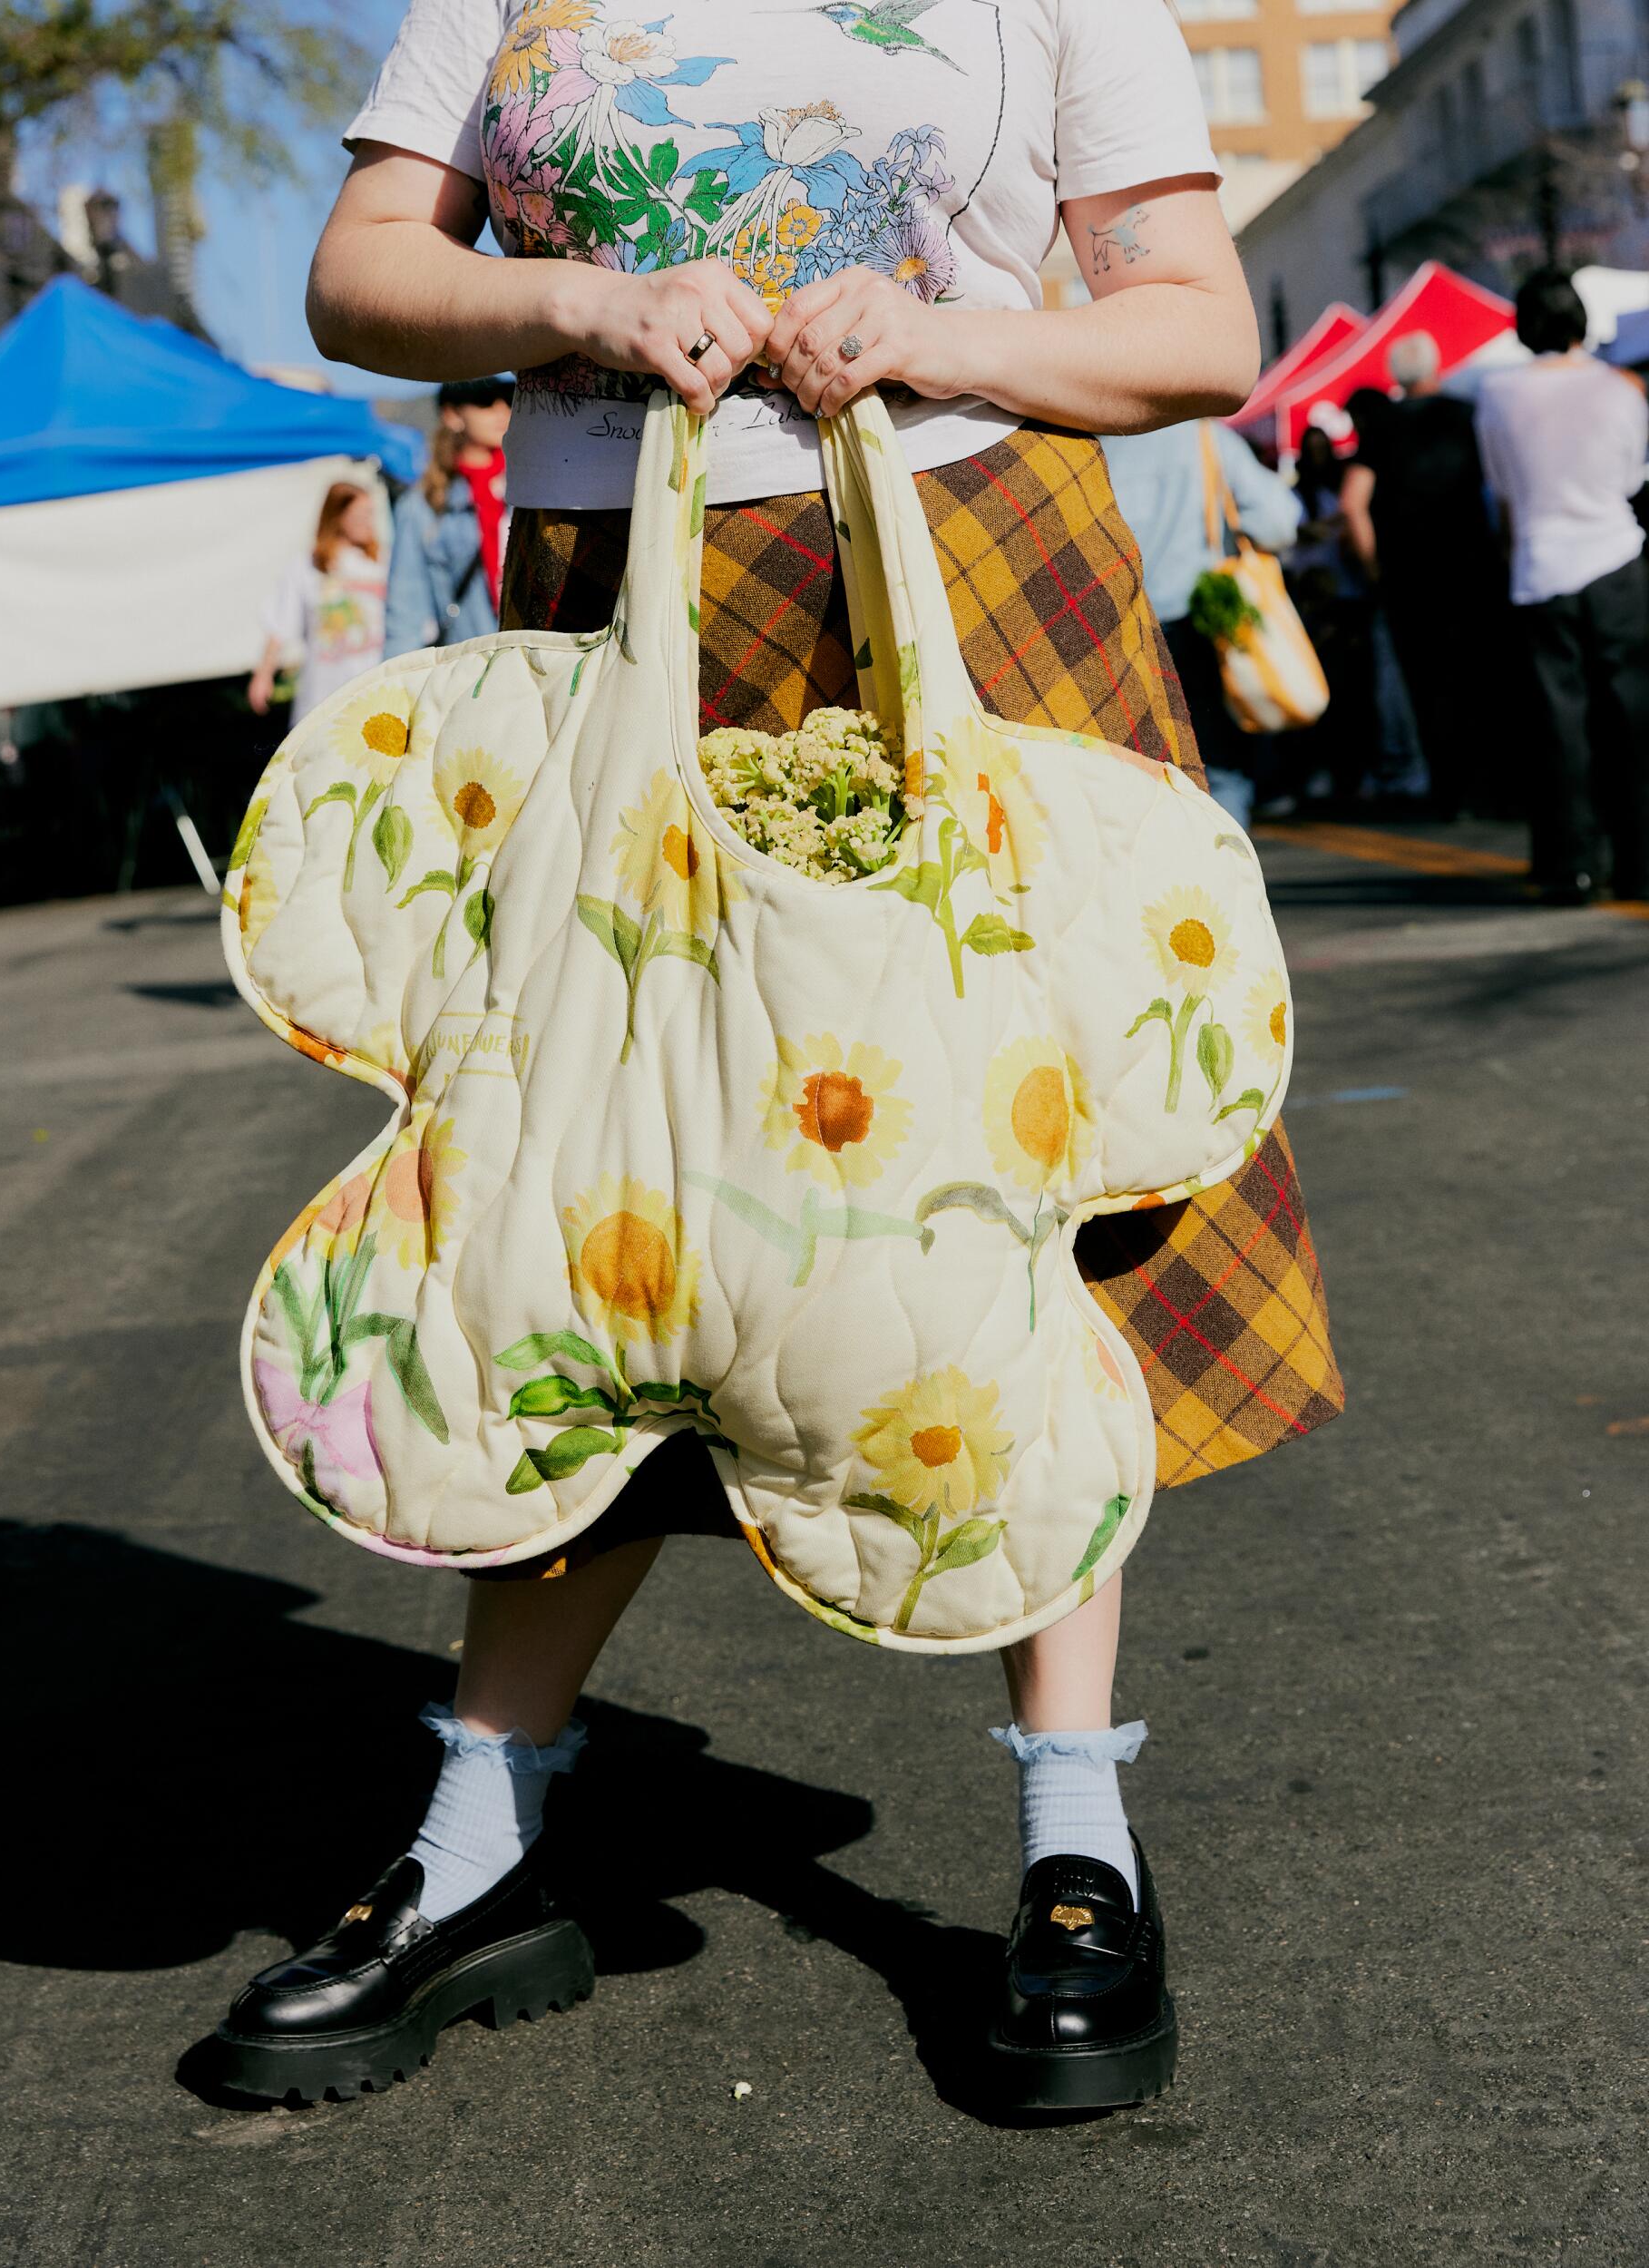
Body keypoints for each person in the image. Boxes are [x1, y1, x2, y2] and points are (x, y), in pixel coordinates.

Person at [207, 0, 1344, 2112]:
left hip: (969, 580)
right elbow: (361, 274)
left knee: (1011, 1201)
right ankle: (477, 1843)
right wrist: (584, 298)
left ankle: (1072, 1837)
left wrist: (934, 342)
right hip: (603, 596)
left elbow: (1191, 329)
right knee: (565, 1204)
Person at [1476, 267, 1649, 904]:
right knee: (1632, 719)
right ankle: (1640, 863)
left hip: (1541, 568)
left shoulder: (1498, 393)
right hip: (1616, 559)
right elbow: (1633, 478)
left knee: (1559, 726)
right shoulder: (1622, 387)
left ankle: (1572, 866)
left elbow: (1502, 486)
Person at [1337, 332, 1507, 819]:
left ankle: (1447, 792)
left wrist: (1373, 568)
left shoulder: (1383, 426)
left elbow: (1352, 504)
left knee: (1427, 686)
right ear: (1436, 367)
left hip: (1409, 580)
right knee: (1478, 676)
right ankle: (1487, 787)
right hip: (1473, 570)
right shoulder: (1467, 415)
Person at [1105, 417, 1301, 826]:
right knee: (1219, 760)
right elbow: (1278, 522)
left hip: (1123, 624)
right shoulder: (1206, 437)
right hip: (1202, 621)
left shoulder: (1099, 439)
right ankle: (1227, 870)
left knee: (1142, 768)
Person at [384, 375, 514, 656]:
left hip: (542, 661)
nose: (501, 409)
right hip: (474, 667)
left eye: (510, 398)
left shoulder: (536, 488)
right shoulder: (423, 506)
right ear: (453, 414)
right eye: (483, 400)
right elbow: (406, 612)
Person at [249, 482, 387, 724]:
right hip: (323, 694)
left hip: (375, 691)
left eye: (370, 514)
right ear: (337, 516)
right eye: (359, 515)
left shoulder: (382, 562)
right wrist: (264, 674)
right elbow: (280, 623)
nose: (367, 522)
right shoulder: (308, 566)